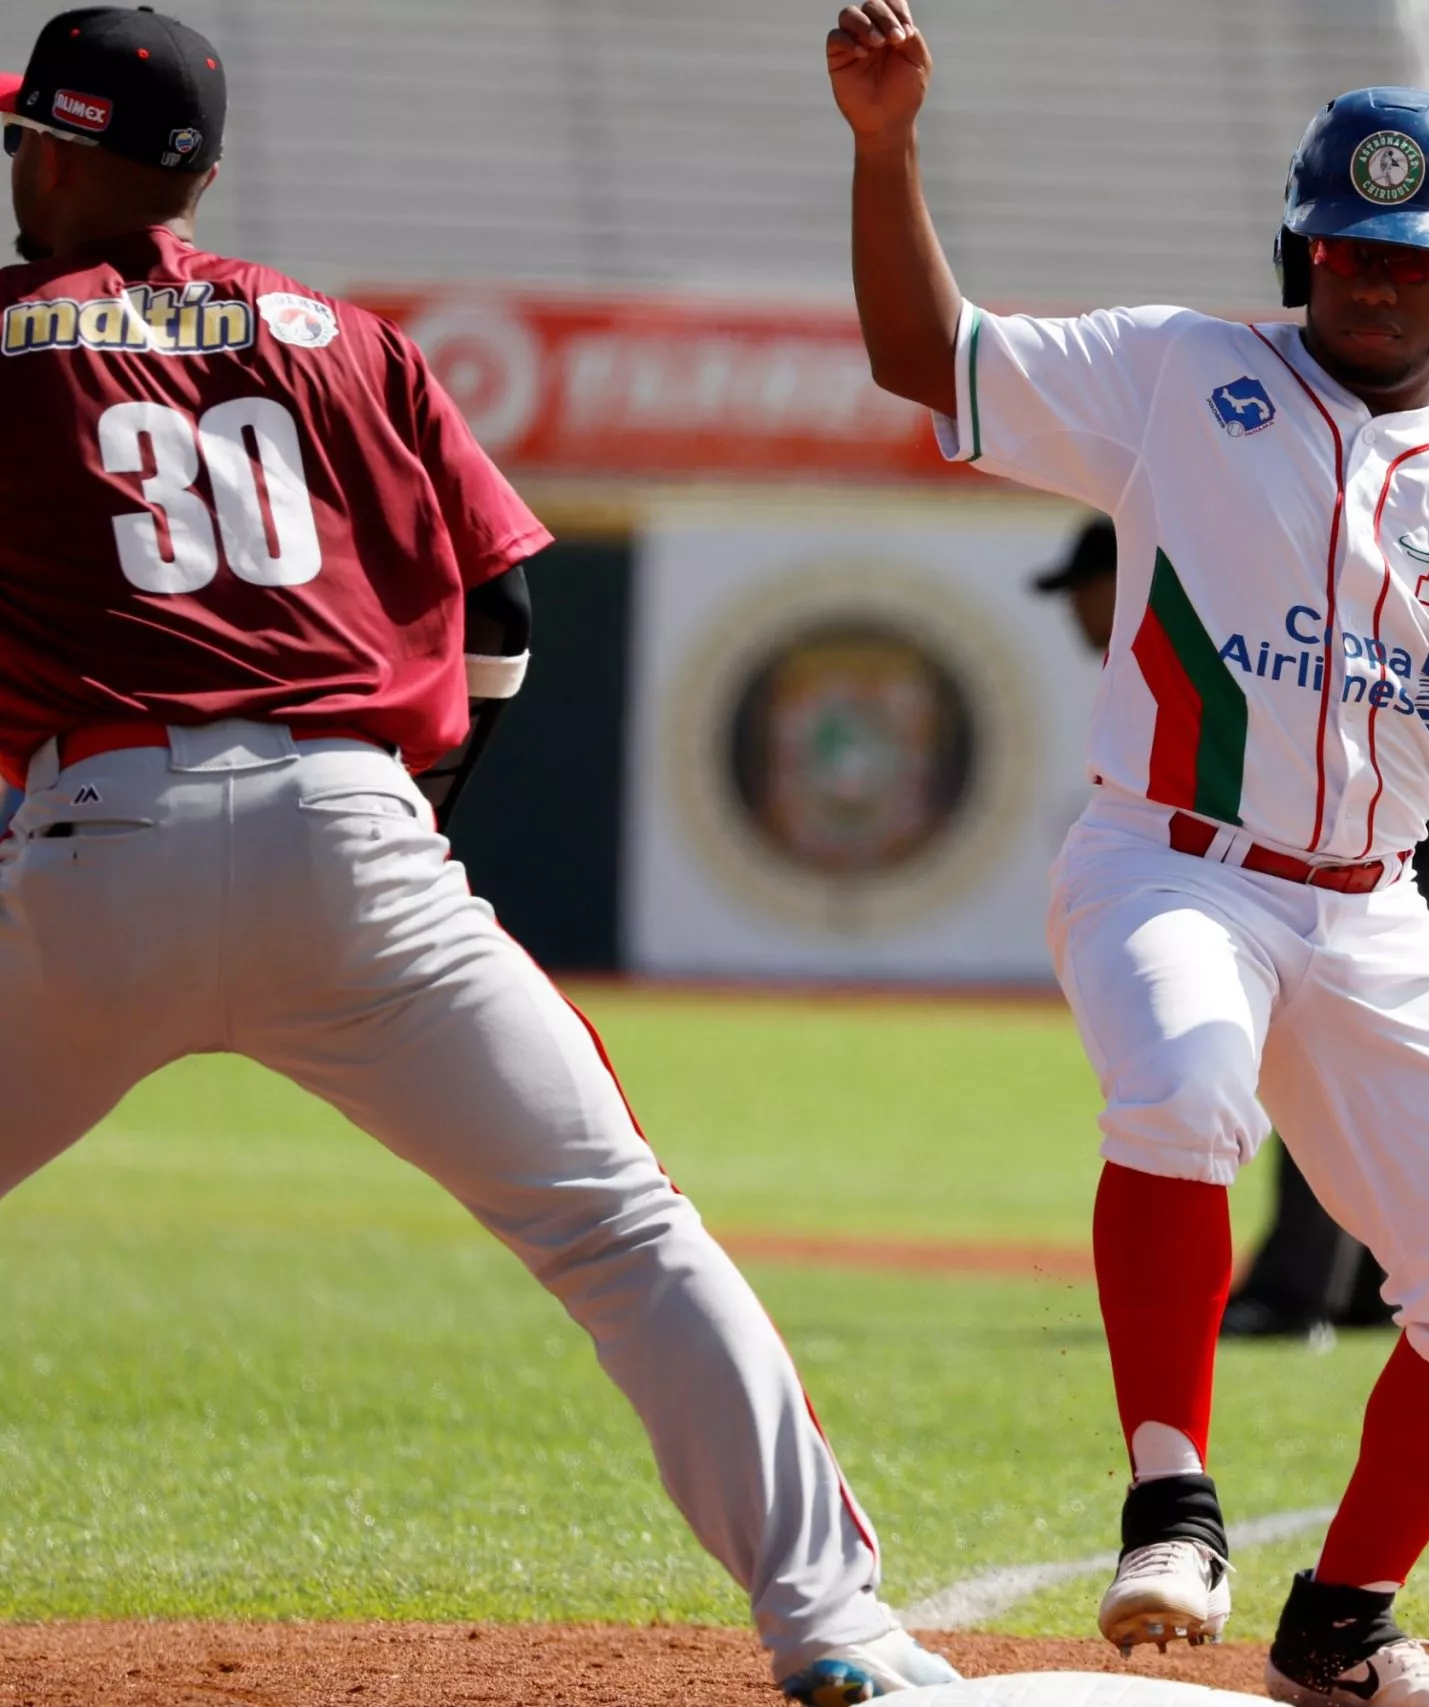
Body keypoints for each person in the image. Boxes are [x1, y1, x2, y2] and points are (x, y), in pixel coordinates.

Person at [0, 13, 956, 1703]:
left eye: (30, 137)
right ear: (202, 174)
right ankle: (841, 1628)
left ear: (75, 155)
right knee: (621, 1230)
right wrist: (411, 811)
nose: (16, 162)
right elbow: (502, 603)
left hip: (100, 841)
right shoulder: (348, 337)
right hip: (359, 835)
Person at [834, 10, 1429, 1705]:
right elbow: (927, 357)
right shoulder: (1179, 369)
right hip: (1169, 864)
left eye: (1414, 257)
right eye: (1344, 244)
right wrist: (886, 147)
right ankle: (1170, 1500)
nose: (1373, 278)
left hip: (1371, 910)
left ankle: (1341, 1619)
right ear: (1300, 248)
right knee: (1186, 1081)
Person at [1032, 518, 1429, 1342]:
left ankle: (1300, 1291)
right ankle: (1366, 1286)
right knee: (1337, 1053)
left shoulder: (1196, 605)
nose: (1073, 614)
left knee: (1318, 1045)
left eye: (1079, 590)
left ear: (1123, 572)